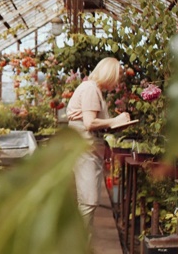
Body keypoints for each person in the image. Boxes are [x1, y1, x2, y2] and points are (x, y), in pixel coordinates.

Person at [66, 57, 130, 229]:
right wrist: (114, 120)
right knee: (88, 201)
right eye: (117, 77)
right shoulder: (90, 89)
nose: (118, 82)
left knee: (88, 201)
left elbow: (93, 121)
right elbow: (89, 123)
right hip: (84, 151)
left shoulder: (95, 90)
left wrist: (115, 124)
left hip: (89, 151)